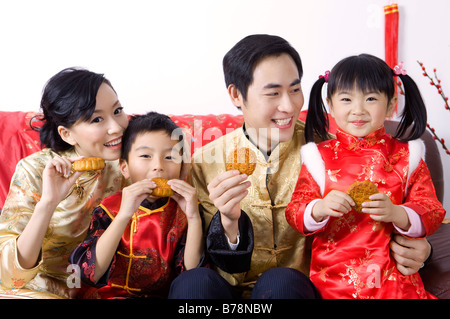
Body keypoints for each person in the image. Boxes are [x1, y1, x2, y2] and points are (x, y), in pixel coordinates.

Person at [169, 34, 435, 299]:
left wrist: (422, 248)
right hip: (226, 286)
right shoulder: (204, 162)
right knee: (193, 284)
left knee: (281, 282)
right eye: (273, 93)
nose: (289, 105)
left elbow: (384, 217)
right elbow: (190, 255)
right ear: (237, 94)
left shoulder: (328, 155)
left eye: (295, 90)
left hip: (296, 287)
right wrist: (228, 222)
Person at [285, 54, 446, 299]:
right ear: (330, 104)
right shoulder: (318, 157)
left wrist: (398, 213)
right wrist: (319, 208)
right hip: (334, 279)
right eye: (346, 99)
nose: (358, 110)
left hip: (393, 280)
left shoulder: (408, 155)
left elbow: (431, 209)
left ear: (392, 103)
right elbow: (295, 210)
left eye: (371, 98)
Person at [0, 67, 129, 298]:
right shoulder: (36, 170)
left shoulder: (131, 163)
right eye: (97, 119)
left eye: (118, 110)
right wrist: (48, 203)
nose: (117, 127)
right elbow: (9, 275)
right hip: (35, 289)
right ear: (66, 134)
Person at [69, 112, 204, 298]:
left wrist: (193, 218)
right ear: (124, 167)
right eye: (146, 155)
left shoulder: (186, 210)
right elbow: (90, 273)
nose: (158, 166)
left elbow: (192, 275)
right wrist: (124, 214)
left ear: (182, 167)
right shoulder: (109, 208)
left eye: (170, 157)